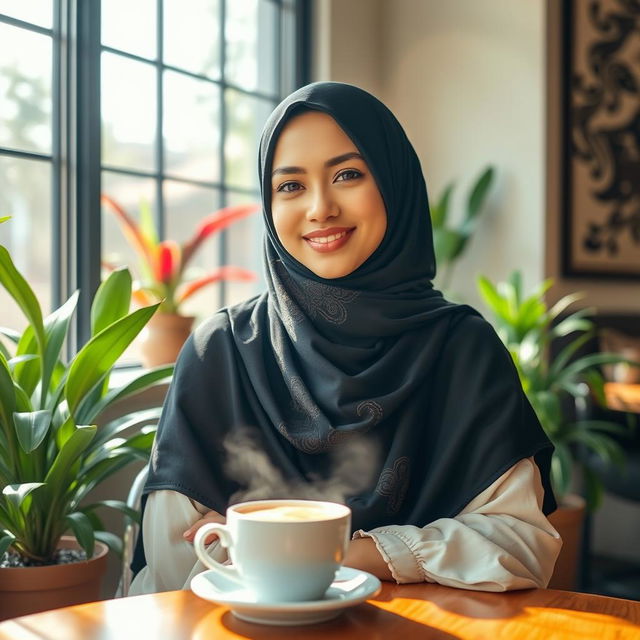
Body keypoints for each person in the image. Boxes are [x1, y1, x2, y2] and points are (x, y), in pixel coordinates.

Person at [129, 82, 561, 595]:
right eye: (290, 186)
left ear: (394, 184)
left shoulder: (463, 349)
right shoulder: (219, 352)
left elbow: (518, 545)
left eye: (348, 175)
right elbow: (175, 567)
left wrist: (331, 551)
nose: (320, 208)